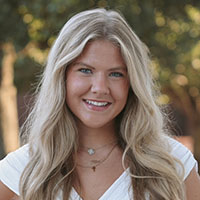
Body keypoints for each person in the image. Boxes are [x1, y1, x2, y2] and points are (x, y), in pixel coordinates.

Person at [0, 8, 200, 200]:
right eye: (85, 70)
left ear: (132, 83)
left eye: (116, 74)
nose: (100, 87)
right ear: (62, 77)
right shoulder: (23, 169)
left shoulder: (172, 163)